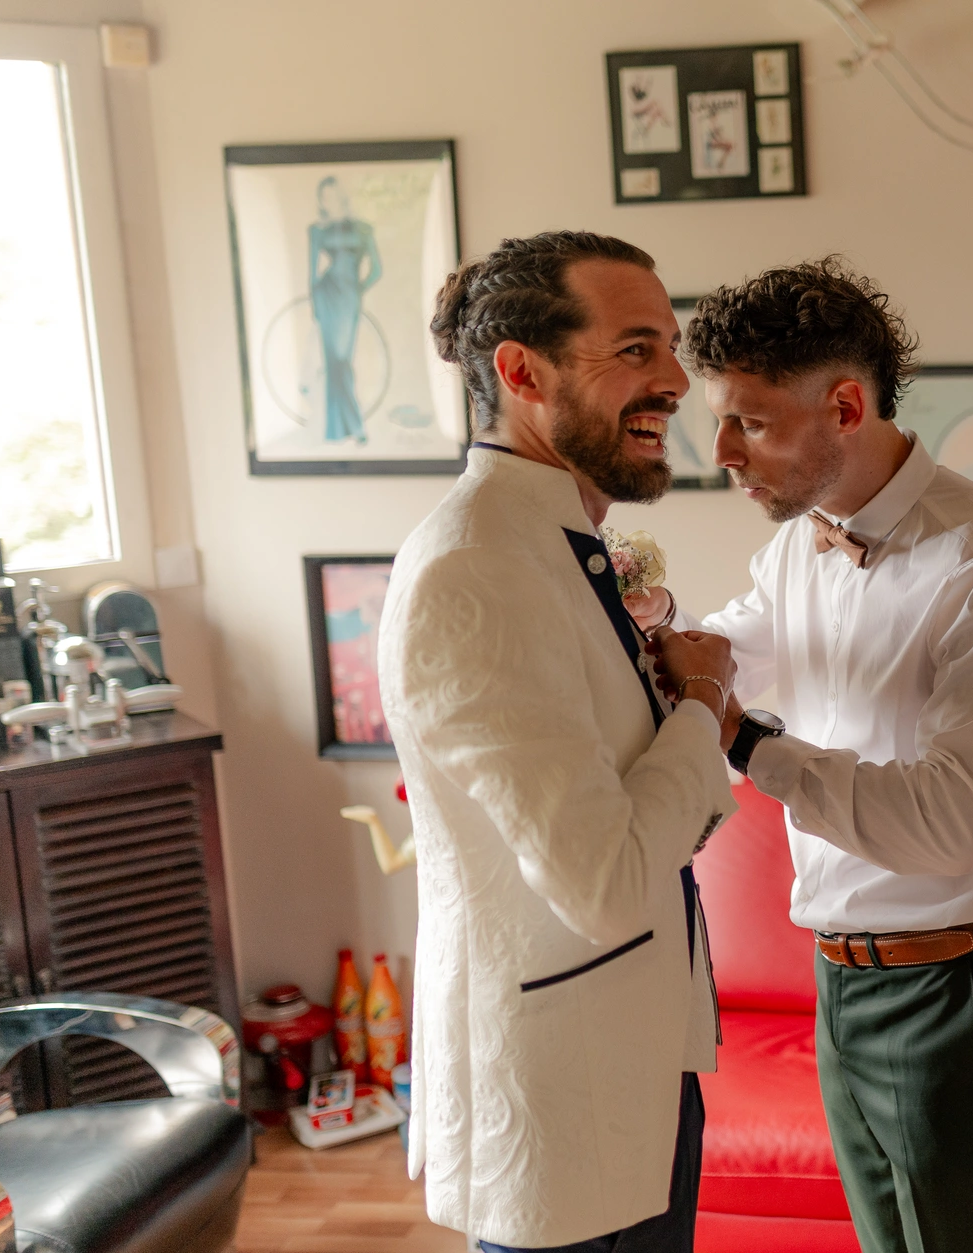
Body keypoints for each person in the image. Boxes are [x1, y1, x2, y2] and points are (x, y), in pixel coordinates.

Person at [630, 259, 973, 1253]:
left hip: (952, 985)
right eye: (718, 418)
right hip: (838, 976)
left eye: (751, 421)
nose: (724, 452)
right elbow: (733, 647)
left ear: (843, 404)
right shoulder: (800, 543)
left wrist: (742, 736)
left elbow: (948, 820)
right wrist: (660, 623)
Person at [380, 231, 739, 1253]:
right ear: (520, 371)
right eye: (635, 349)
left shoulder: (552, 548)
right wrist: (699, 705)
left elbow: (635, 809)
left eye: (669, 347)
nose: (674, 378)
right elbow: (603, 880)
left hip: (634, 1057)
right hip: (560, 1097)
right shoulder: (474, 568)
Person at [308, 177, 381, 443]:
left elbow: (377, 269)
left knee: (341, 362)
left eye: (333, 195)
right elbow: (312, 274)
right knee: (334, 362)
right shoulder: (317, 230)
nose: (330, 201)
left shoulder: (363, 229)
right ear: (322, 202)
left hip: (348, 298)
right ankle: (350, 428)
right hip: (327, 296)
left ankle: (346, 429)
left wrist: (357, 291)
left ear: (342, 196)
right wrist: (315, 306)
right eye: (324, 197)